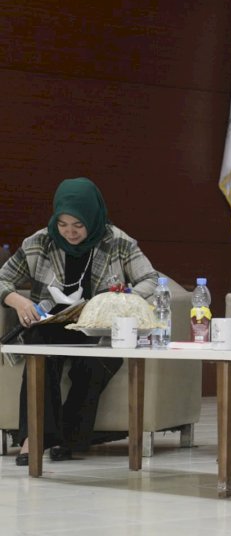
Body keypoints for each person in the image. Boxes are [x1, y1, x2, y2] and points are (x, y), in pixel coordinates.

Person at [0, 177, 159, 466]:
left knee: (93, 363)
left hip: (99, 330)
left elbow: (150, 278)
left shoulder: (119, 242)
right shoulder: (39, 243)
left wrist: (125, 296)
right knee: (38, 348)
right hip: (51, 327)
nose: (70, 233)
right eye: (63, 224)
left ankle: (69, 439)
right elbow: (2, 279)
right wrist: (17, 300)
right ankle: (32, 438)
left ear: (93, 217)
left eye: (78, 225)